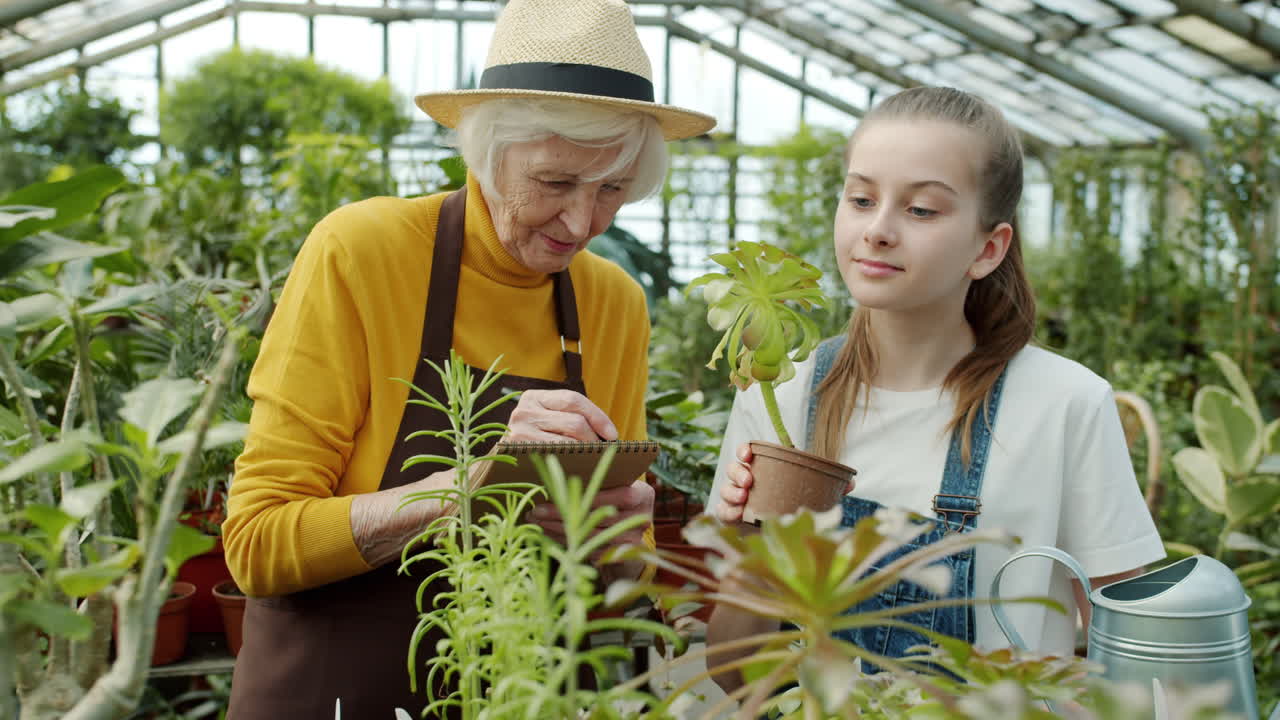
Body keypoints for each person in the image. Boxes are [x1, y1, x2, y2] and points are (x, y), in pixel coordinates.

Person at [220, 0, 715, 716]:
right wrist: (469, 491)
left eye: (613, 189)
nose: (584, 224)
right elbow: (257, 545)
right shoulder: (364, 252)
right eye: (555, 183)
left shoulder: (613, 302)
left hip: (524, 694)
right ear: (484, 152)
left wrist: (614, 542)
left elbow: (626, 567)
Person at [706, 86, 1164, 695]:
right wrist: (750, 550)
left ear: (987, 247)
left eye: (921, 210)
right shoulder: (781, 394)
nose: (878, 230)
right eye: (862, 199)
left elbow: (1130, 654)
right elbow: (735, 673)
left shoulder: (1065, 405)